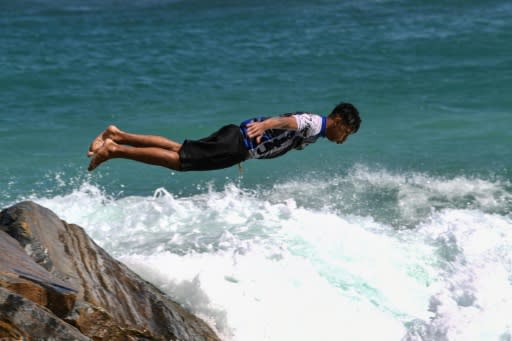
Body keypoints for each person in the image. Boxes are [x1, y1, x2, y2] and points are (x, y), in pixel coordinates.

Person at [87, 102, 361, 172]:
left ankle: (117, 134)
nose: (343, 139)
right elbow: (291, 121)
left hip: (237, 141)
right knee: (178, 161)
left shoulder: (314, 132)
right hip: (238, 144)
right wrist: (266, 125)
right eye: (345, 132)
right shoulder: (315, 124)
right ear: (337, 120)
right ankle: (113, 150)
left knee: (179, 148)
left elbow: (292, 130)